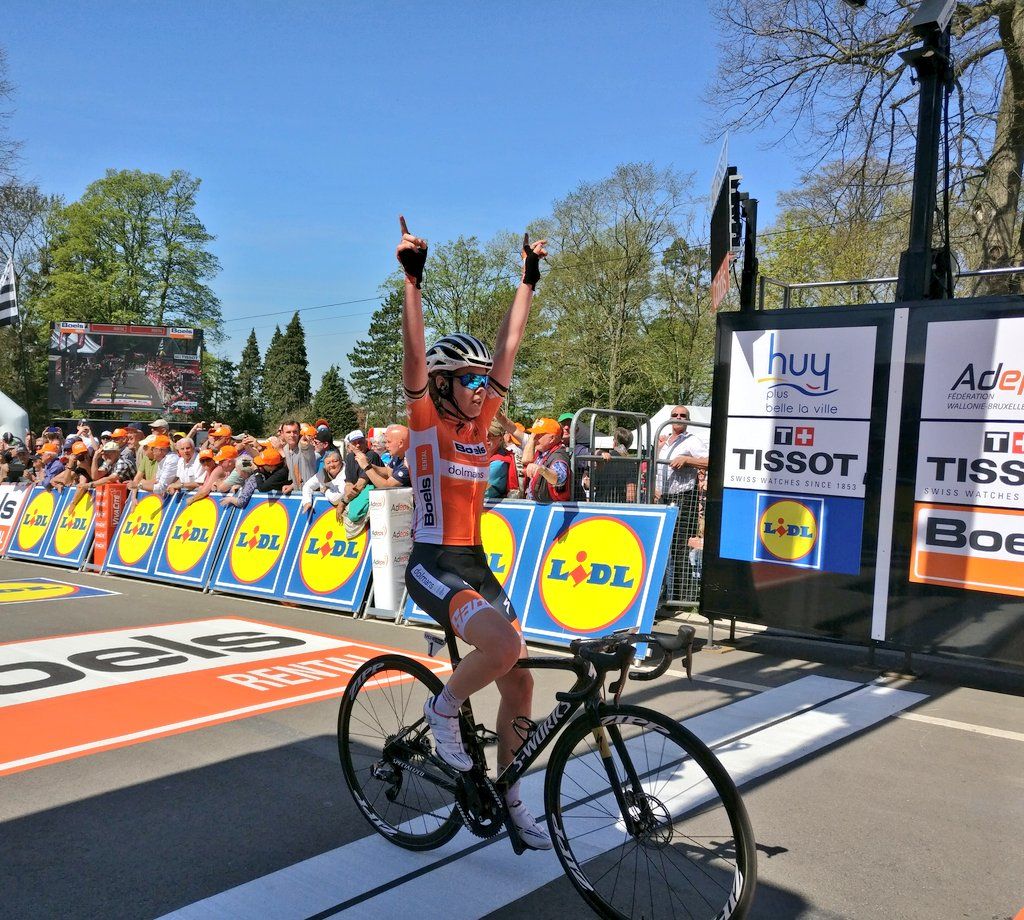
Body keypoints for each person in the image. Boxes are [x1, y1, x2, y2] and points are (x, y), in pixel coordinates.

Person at [398, 216, 551, 850]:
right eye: (469, 379)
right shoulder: (426, 420)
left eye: (484, 382)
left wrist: (527, 281)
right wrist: (412, 280)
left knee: (519, 678)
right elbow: (412, 355)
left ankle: (511, 794)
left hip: (476, 561)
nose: (483, 388)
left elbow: (509, 347)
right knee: (505, 649)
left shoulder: (480, 423)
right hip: (435, 561)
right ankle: (441, 710)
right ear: (440, 384)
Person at [656, 406, 708, 602]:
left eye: (682, 415)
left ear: (688, 420)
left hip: (683, 498)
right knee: (664, 547)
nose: (678, 417)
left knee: (679, 548)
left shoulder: (692, 440)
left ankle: (682, 597)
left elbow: (710, 461)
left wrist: (687, 460)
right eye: (675, 415)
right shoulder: (664, 441)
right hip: (664, 498)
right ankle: (666, 593)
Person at [523, 418, 572, 503]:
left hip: (552, 508)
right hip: (540, 505)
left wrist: (541, 469)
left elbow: (559, 478)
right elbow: (525, 460)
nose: (535, 437)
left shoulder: (559, 455)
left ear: (552, 438)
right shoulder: (542, 451)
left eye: (539, 434)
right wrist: (532, 437)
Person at [351, 424, 410, 490]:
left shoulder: (408, 463)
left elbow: (387, 486)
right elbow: (388, 471)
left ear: (401, 443)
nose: (386, 445)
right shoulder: (398, 455)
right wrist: (369, 465)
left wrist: (366, 467)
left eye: (388, 442)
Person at [300, 448, 347, 513]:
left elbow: (335, 499)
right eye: (328, 463)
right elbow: (307, 485)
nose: (332, 465)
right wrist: (307, 501)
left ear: (341, 460)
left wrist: (325, 490)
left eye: (335, 461)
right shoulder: (323, 472)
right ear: (324, 465)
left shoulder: (347, 472)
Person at [485, 418, 519, 500]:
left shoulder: (498, 463)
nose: (486, 438)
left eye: (491, 435)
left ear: (500, 438)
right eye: (483, 434)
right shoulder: (483, 457)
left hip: (492, 506)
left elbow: (484, 492)